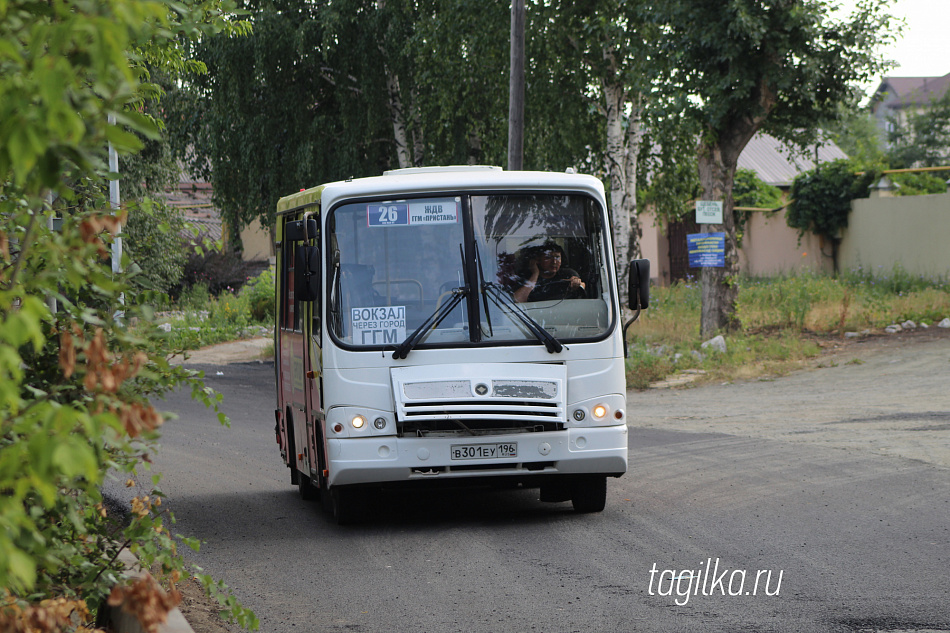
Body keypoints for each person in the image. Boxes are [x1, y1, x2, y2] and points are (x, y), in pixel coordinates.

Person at [511, 241, 586, 303]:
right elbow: (518, 301)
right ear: (537, 260)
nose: (554, 262)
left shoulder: (568, 274)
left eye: (557, 257)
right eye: (548, 257)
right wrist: (535, 274)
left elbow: (582, 288)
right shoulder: (526, 277)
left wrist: (577, 284)